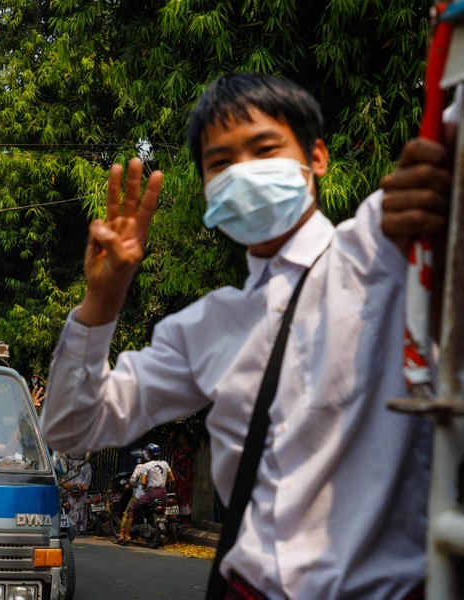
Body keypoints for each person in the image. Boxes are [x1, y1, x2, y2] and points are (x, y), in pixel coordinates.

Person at [40, 73, 452, 598]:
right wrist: (102, 300)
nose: (246, 173)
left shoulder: (384, 248)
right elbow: (71, 430)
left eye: (264, 148)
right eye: (221, 163)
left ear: (316, 157)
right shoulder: (206, 327)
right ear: (208, 188)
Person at [118, 445, 173, 546]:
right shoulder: (165, 464)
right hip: (163, 493)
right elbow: (172, 479)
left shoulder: (144, 466)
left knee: (130, 511)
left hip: (146, 494)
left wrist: (147, 486)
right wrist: (161, 482)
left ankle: (124, 535)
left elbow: (137, 482)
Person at [114, 442, 156, 545]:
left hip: (139, 494)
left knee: (127, 513)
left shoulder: (140, 467)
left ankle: (121, 535)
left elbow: (133, 481)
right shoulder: (155, 466)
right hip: (152, 495)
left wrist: (128, 485)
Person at [60, 453, 93, 535]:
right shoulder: (66, 463)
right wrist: (75, 486)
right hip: (68, 493)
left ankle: (77, 529)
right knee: (66, 510)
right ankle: (66, 529)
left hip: (80, 494)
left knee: (77, 510)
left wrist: (78, 487)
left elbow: (86, 485)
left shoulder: (87, 465)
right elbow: (63, 482)